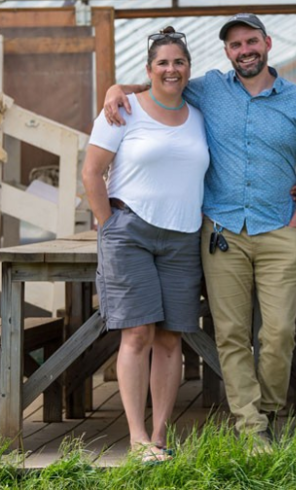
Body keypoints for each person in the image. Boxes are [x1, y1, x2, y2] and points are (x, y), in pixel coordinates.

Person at [103, 14, 296, 449]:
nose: (244, 50)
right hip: (222, 231)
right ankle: (252, 428)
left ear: (267, 44)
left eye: (251, 42)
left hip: (280, 227)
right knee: (231, 335)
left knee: (278, 333)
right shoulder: (208, 88)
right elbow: (158, 87)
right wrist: (115, 89)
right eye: (235, 44)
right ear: (227, 52)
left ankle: (270, 409)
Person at [82, 27, 209, 463]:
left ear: (188, 68)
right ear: (149, 69)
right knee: (137, 333)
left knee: (171, 338)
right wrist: (109, 226)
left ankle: (159, 435)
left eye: (179, 62)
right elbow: (91, 172)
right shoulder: (123, 109)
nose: (171, 70)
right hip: (130, 231)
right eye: (163, 63)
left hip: (183, 235)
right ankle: (136, 438)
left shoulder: (199, 113)